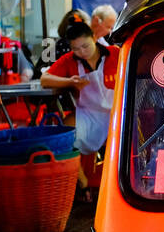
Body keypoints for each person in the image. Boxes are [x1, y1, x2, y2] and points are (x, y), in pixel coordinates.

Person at [41, 21, 119, 198]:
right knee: (63, 137)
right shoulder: (69, 60)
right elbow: (45, 79)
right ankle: (82, 183)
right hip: (88, 114)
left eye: (85, 46)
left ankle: (111, 189)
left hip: (115, 114)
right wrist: (70, 82)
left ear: (94, 38)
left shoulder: (115, 53)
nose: (82, 52)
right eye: (76, 48)